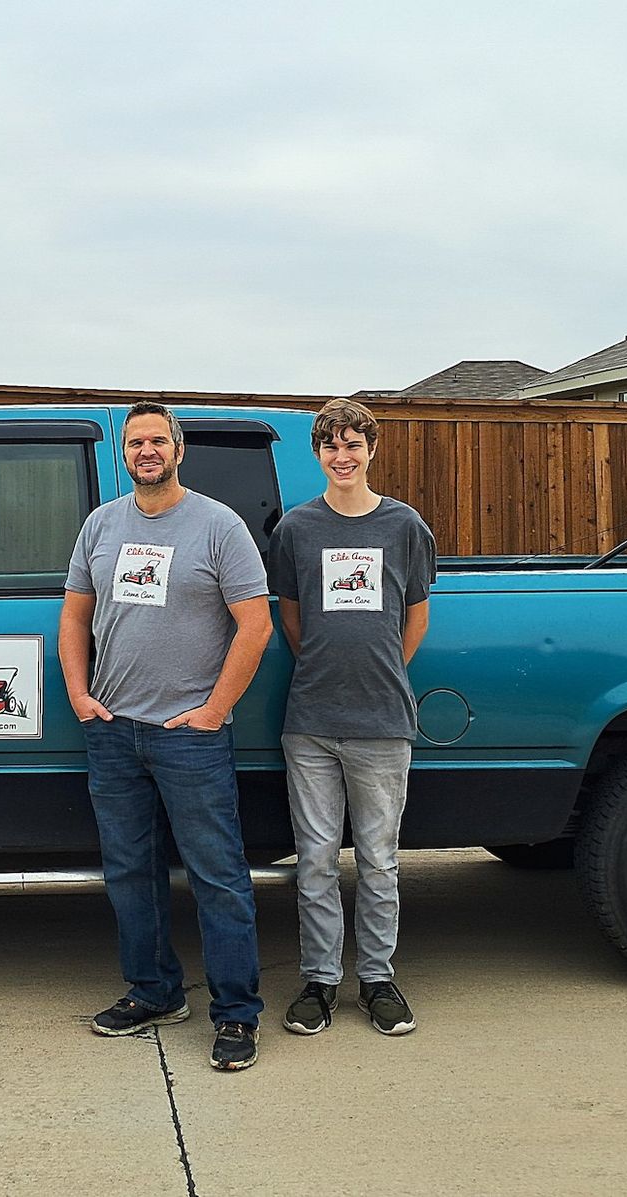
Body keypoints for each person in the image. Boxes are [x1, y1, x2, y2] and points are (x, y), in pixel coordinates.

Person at [60, 401, 274, 1071]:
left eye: (158, 439)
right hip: (114, 731)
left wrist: (213, 711)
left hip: (190, 735)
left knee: (219, 877)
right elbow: (74, 616)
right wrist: (79, 693)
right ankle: (153, 991)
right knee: (129, 873)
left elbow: (257, 625)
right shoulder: (101, 524)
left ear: (179, 449)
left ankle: (236, 1014)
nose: (147, 449)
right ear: (124, 454)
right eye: (136, 441)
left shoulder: (218, 525)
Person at [267, 398, 435, 1036]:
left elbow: (416, 613)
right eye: (332, 446)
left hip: (384, 721)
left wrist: (383, 666)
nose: (344, 457)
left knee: (379, 859)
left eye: (354, 445)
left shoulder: (404, 526)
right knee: (313, 859)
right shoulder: (296, 529)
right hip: (309, 721)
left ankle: (378, 979)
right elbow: (289, 611)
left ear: (372, 451)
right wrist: (321, 662)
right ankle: (319, 981)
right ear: (318, 454)